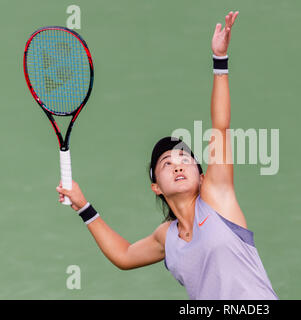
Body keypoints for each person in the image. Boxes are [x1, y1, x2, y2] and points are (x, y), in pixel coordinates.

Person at [57, 11, 278, 300]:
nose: (177, 166)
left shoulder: (217, 197)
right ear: (156, 187)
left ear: (201, 176)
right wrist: (83, 206)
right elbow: (124, 255)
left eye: (185, 159)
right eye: (167, 164)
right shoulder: (167, 237)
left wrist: (219, 62)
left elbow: (220, 127)